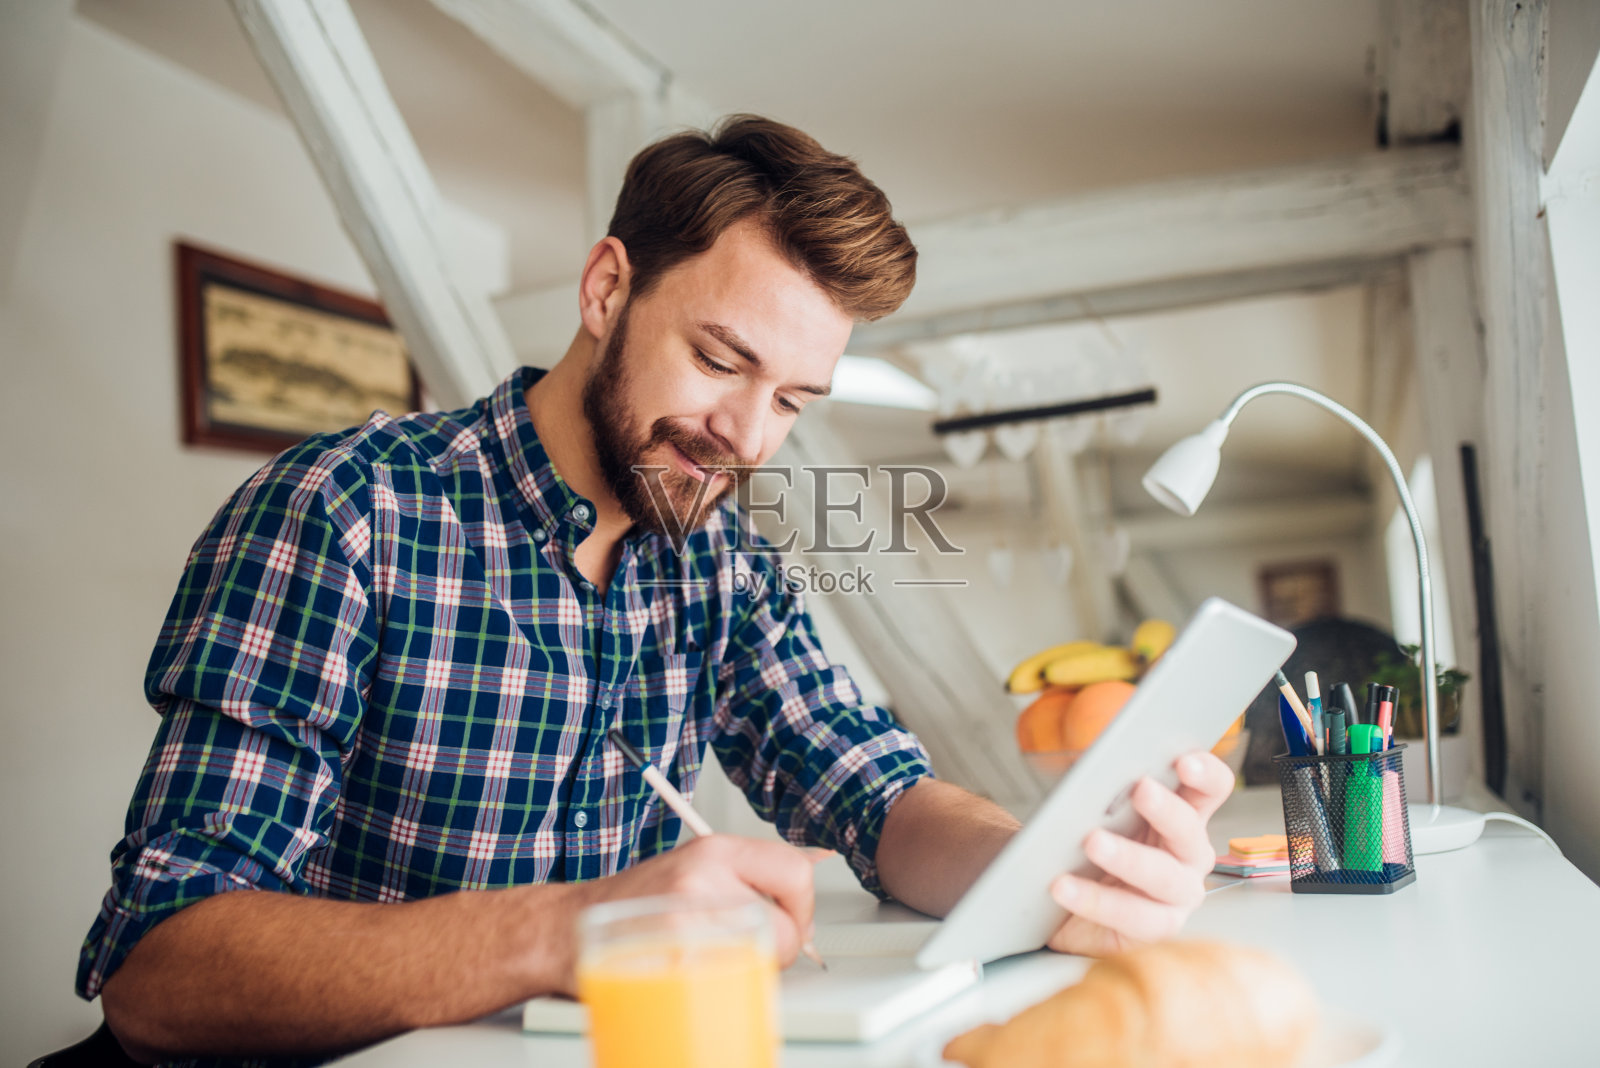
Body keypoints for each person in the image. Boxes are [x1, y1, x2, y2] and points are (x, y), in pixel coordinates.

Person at [83, 116, 1233, 1066]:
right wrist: (574, 926)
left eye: (791, 399)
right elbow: (160, 968)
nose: (744, 434)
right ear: (603, 289)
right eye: (721, 361)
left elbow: (876, 796)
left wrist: (1049, 875)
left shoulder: (718, 564)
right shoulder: (346, 514)